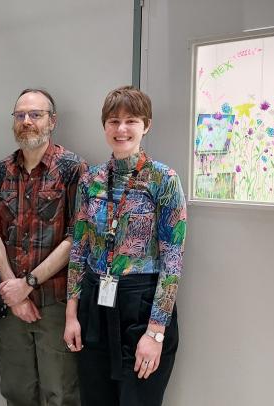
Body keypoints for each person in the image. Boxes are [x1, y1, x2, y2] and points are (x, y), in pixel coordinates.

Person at [63, 86, 187, 406]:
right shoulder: (91, 179)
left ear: (146, 125)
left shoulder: (163, 179)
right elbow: (79, 249)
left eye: (131, 120)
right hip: (95, 307)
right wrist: (71, 314)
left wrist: (156, 332)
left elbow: (172, 261)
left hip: (142, 308)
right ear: (104, 126)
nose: (121, 129)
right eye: (113, 121)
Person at [0, 89, 86, 406]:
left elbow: (77, 238)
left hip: (55, 304)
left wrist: (28, 283)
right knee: (17, 391)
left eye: (35, 115)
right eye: (20, 116)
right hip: (11, 305)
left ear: (52, 121)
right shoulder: (1, 171)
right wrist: (12, 289)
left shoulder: (73, 169)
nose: (27, 122)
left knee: (59, 393)